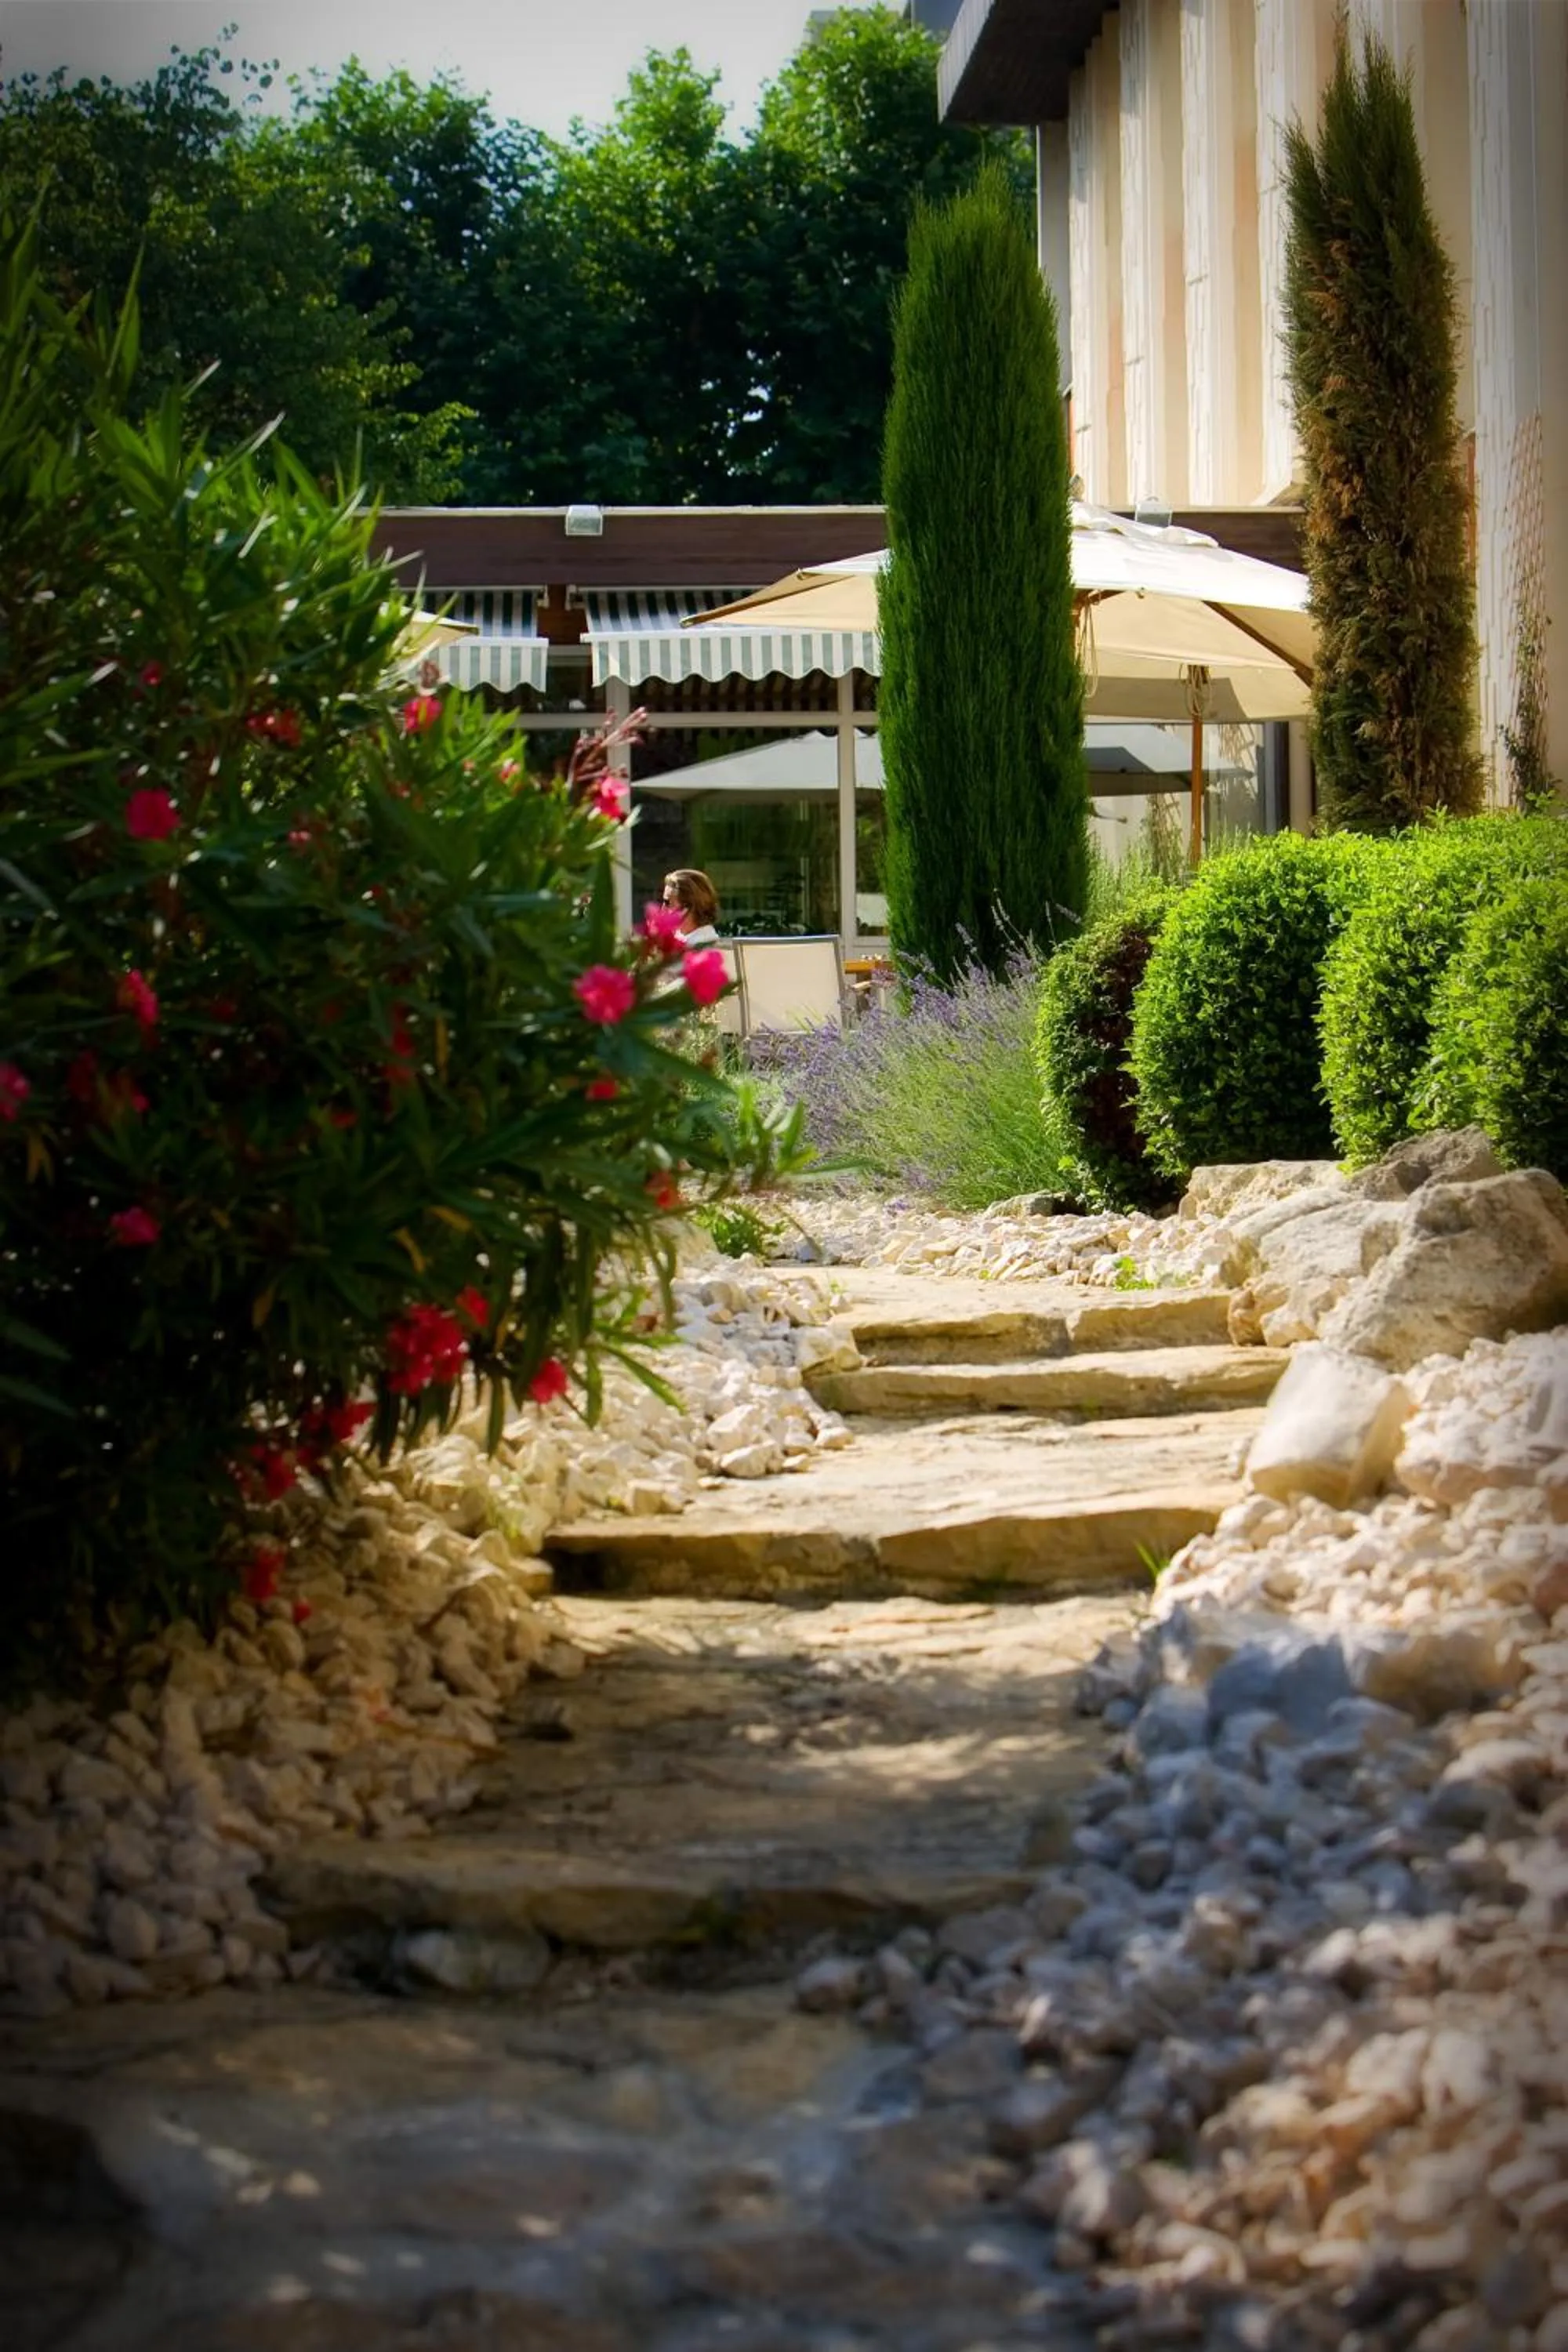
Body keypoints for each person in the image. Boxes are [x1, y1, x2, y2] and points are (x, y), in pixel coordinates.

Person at [662, 868, 720, 947]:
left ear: (688, 906)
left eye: (668, 902)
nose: (663, 909)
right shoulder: (682, 937)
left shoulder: (703, 945)